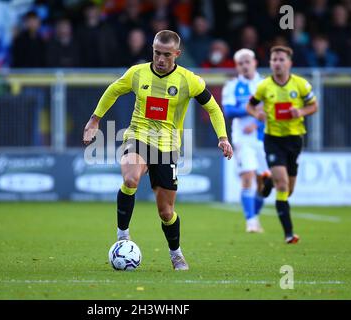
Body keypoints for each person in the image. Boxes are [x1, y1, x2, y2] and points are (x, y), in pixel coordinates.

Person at [83, 30, 233, 270]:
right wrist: (95, 119)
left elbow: (213, 109)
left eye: (166, 55)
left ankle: (176, 253)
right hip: (138, 137)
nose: (160, 59)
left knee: (166, 212)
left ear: (177, 54)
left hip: (167, 147)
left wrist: (223, 138)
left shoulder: (189, 80)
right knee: (131, 179)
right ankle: (123, 236)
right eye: (156, 53)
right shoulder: (137, 73)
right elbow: (113, 90)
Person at [246, 46, 318, 244]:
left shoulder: (301, 85)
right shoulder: (264, 87)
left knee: (288, 191)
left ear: (289, 63)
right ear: (270, 63)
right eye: (274, 59)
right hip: (273, 140)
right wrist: (256, 114)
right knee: (283, 184)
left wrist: (301, 112)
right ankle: (289, 234)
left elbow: (314, 106)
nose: (277, 63)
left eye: (281, 59)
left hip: (294, 140)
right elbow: (250, 105)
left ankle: (267, 181)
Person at [222, 48, 272, 233]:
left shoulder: (266, 84)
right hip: (242, 138)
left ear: (255, 63)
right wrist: (251, 110)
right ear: (237, 66)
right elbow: (228, 111)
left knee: (265, 182)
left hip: (264, 137)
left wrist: (257, 124)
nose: (244, 66)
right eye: (240, 63)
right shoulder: (232, 86)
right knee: (248, 176)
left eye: (247, 62)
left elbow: (272, 111)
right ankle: (250, 221)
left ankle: (255, 216)